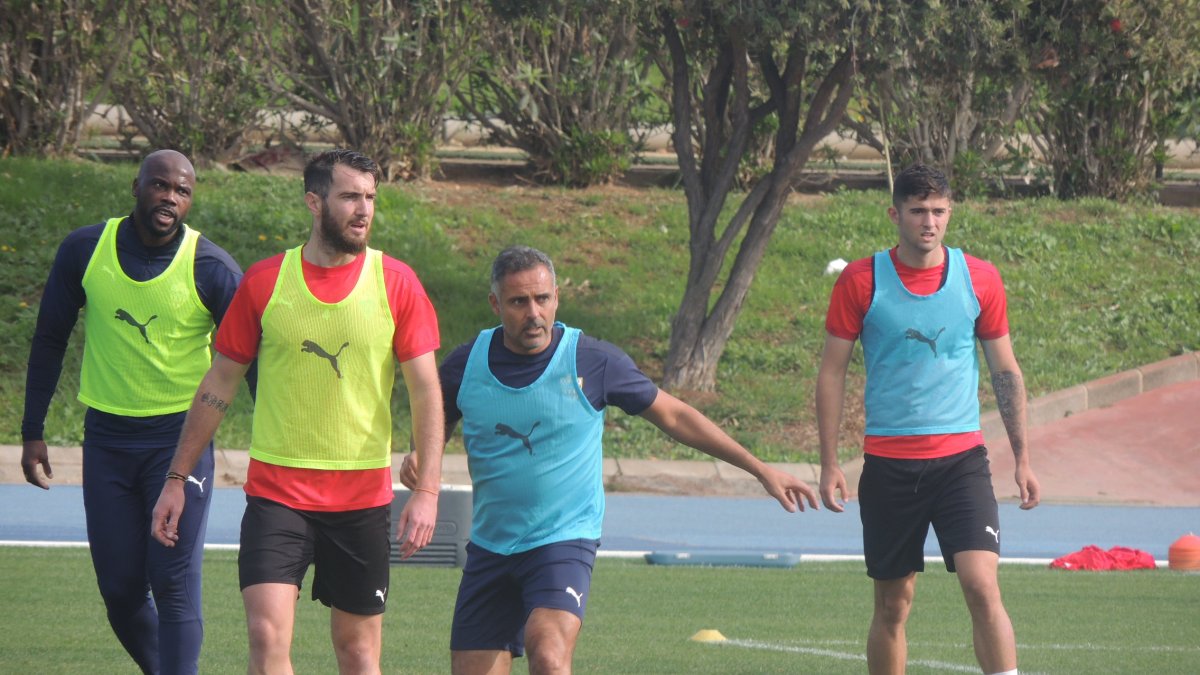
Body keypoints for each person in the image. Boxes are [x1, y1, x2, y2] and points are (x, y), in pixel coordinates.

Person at [399, 245, 819, 675]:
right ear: (495, 304)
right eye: (518, 301)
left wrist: (760, 469)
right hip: (491, 545)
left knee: (548, 654)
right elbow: (436, 418)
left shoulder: (592, 360)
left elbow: (675, 415)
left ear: (556, 297)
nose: (533, 312)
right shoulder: (466, 364)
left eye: (542, 299)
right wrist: (420, 456)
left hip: (561, 540)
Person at [150, 149, 445, 674]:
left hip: (360, 501)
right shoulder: (265, 282)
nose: (363, 210)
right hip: (277, 497)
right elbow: (219, 382)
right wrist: (177, 476)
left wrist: (426, 491)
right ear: (314, 201)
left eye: (370, 197)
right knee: (266, 641)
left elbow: (425, 390)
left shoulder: (397, 283)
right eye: (350, 196)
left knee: (357, 653)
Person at [20, 149, 245, 674]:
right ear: (136, 186)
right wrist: (32, 429)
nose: (170, 197)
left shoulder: (212, 268)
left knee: (173, 583)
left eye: (182, 190)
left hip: (180, 444)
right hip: (107, 442)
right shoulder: (83, 250)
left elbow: (246, 364)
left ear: (191, 199)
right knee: (120, 592)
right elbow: (50, 338)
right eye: (160, 185)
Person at [815, 164, 1041, 675]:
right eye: (917, 210)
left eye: (939, 211)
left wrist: (1023, 458)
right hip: (890, 468)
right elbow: (832, 374)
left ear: (950, 214)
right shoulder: (860, 280)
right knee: (894, 605)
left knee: (982, 585)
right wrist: (830, 463)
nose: (929, 222)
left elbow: (1005, 370)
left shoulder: (980, 278)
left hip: (961, 464)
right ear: (895, 214)